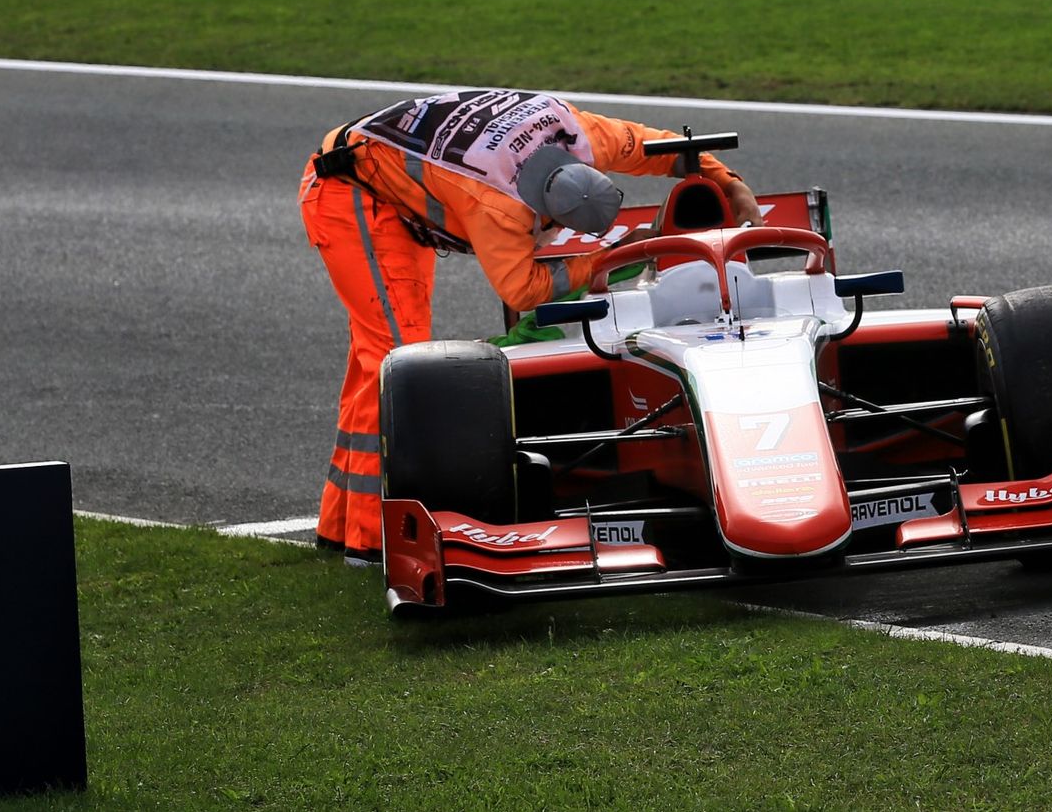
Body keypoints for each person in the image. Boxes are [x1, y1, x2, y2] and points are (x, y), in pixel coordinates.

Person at [299, 89, 761, 563]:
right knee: (401, 369)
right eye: (555, 226)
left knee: (374, 364)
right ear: (539, 208)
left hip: (387, 182)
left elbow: (662, 148)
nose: (556, 236)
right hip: (353, 193)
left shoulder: (582, 134)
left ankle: (339, 528)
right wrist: (601, 262)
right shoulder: (497, 204)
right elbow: (522, 289)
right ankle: (371, 543)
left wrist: (727, 182)